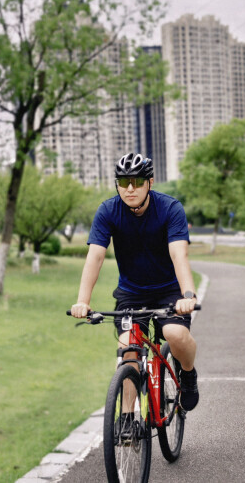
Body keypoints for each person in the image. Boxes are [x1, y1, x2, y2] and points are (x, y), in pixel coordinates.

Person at [70, 152, 199, 411]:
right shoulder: (108, 211)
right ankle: (127, 418)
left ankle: (187, 375)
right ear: (116, 184)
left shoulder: (170, 208)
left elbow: (179, 254)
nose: (130, 188)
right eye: (123, 182)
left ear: (150, 183)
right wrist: (82, 301)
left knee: (174, 333)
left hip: (169, 290)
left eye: (138, 182)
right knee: (128, 349)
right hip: (131, 293)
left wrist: (188, 295)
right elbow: (95, 257)